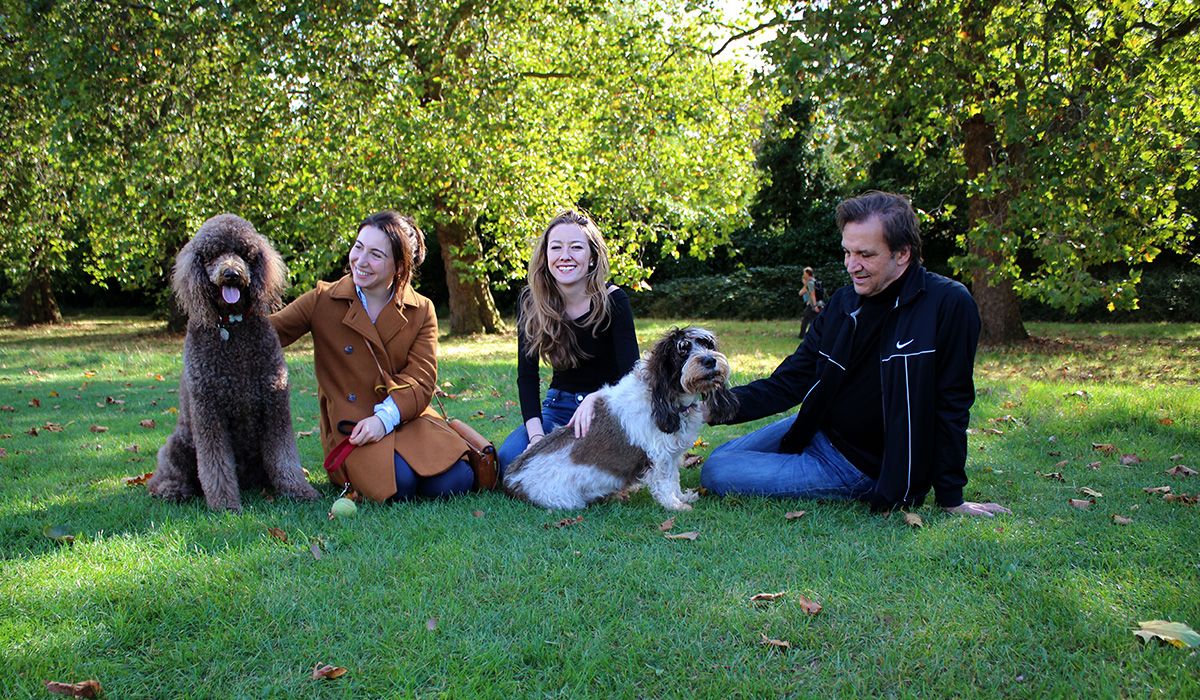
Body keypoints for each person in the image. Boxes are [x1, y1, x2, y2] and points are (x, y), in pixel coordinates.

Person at [701, 191, 1009, 516]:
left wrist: (951, 498)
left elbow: (953, 403)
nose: (852, 266)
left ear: (902, 253)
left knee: (717, 472)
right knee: (719, 459)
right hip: (817, 427)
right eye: (847, 252)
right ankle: (794, 457)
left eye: (865, 254)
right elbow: (793, 379)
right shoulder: (844, 303)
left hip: (859, 466)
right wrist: (714, 408)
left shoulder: (947, 304)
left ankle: (816, 474)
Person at [271, 210, 474, 502]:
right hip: (352, 428)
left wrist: (384, 419)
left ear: (399, 268)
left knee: (456, 480)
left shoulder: (422, 309)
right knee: (397, 485)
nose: (361, 261)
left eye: (376, 254)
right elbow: (268, 334)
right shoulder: (322, 300)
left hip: (404, 418)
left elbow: (422, 379)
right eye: (358, 247)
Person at [497, 209, 640, 474]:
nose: (565, 256)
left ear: (592, 256)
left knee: (590, 467)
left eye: (576, 247)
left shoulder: (614, 301)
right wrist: (537, 438)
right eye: (556, 247)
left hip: (608, 410)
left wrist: (597, 398)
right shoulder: (530, 302)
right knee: (509, 461)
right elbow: (526, 377)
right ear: (546, 256)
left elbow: (633, 376)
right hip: (559, 408)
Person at [798, 266, 822, 338]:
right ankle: (814, 335)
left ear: (807, 274)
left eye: (804, 273)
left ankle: (802, 335)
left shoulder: (810, 283)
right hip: (819, 303)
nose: (803, 275)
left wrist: (814, 306)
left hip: (812, 304)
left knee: (806, 319)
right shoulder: (815, 281)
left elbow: (812, 295)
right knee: (813, 320)